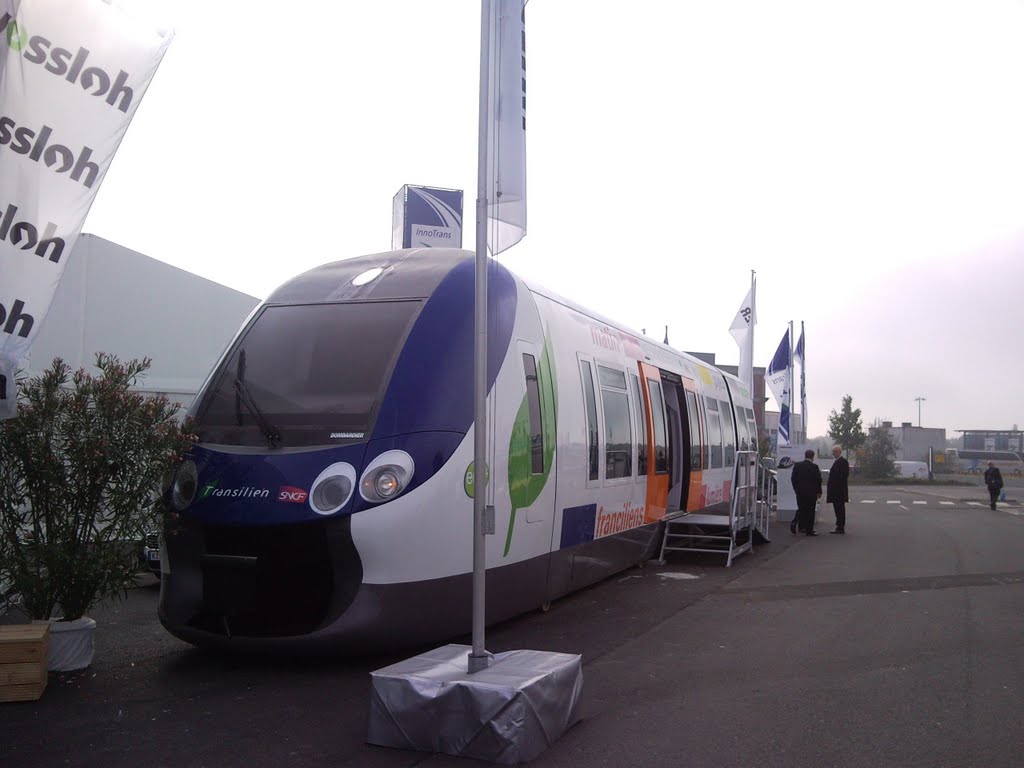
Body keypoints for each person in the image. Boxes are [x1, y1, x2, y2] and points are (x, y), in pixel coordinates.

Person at [790, 449, 823, 536]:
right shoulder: (814, 467)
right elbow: (818, 480)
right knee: (810, 511)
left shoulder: (798, 465)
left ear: (805, 456)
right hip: (811, 493)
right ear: (813, 457)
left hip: (800, 492)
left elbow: (793, 479)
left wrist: (796, 489)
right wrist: (819, 492)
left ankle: (796, 523)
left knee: (801, 508)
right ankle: (809, 530)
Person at [826, 445, 850, 534]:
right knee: (837, 509)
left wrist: (834, 484)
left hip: (839, 491)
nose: (833, 453)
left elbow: (843, 476)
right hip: (836, 490)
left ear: (840, 452)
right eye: (833, 451)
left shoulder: (843, 462)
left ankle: (840, 527)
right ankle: (839, 526)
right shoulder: (837, 461)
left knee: (840, 509)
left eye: (835, 451)